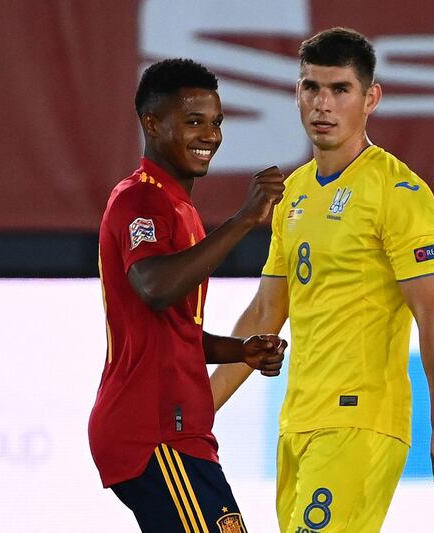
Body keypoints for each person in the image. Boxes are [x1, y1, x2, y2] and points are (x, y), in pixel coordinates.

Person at [209, 28, 434, 532]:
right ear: (296, 94)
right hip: (298, 422)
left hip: (361, 420)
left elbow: (432, 312)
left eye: (340, 89)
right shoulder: (293, 193)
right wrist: (201, 409)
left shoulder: (398, 191)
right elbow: (267, 313)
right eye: (311, 88)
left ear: (370, 98)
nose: (323, 104)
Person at [88, 58, 287, 533]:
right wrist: (244, 220)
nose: (210, 135)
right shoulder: (141, 199)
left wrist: (238, 351)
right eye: (194, 121)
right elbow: (154, 288)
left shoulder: (179, 207)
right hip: (154, 430)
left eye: (216, 122)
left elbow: (172, 330)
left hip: (174, 429)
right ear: (152, 123)